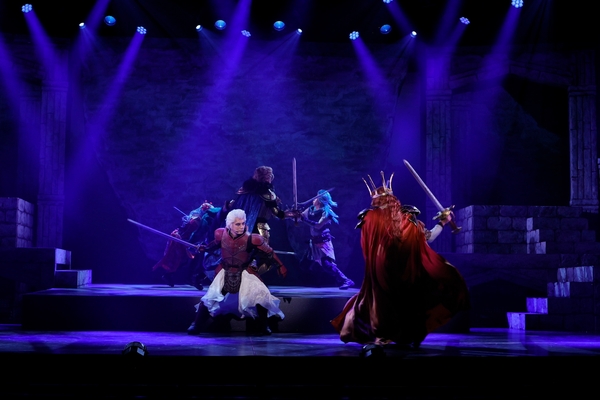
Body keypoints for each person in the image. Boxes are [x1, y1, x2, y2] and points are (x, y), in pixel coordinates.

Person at [330, 172, 470, 351]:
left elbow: (367, 246)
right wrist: (443, 222)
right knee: (405, 299)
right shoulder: (406, 218)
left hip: (380, 269)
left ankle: (384, 334)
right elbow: (429, 237)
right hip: (403, 270)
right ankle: (402, 334)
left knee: (381, 300)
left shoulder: (369, 218)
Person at [187, 209, 287, 336]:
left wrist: (281, 265)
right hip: (225, 271)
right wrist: (205, 248)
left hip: (245, 271)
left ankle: (264, 325)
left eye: (243, 223)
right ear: (229, 224)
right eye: (237, 224)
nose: (241, 226)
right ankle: (196, 324)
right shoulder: (220, 234)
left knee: (260, 295)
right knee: (210, 297)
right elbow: (214, 244)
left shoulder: (253, 239)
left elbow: (270, 252)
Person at [226, 165, 299, 275]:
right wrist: (292, 214)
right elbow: (277, 213)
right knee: (265, 259)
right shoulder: (267, 194)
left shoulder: (245, 191)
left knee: (244, 254)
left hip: (242, 228)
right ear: (268, 177)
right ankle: (250, 275)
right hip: (260, 228)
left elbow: (235, 206)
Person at [299, 189, 354, 290]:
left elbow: (318, 226)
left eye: (316, 197)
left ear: (320, 200)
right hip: (314, 243)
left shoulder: (327, 212)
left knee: (326, 264)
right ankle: (315, 280)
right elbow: (299, 217)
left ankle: (345, 280)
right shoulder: (310, 210)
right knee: (304, 264)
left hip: (323, 242)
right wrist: (289, 214)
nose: (314, 199)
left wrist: (304, 219)